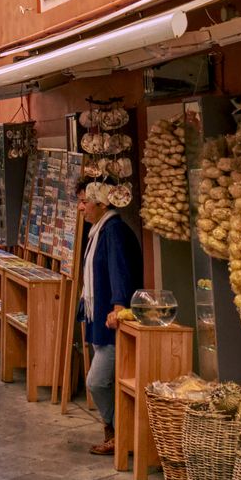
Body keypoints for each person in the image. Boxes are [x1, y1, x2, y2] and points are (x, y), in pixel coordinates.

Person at [79, 181, 145, 455]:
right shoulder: (98, 231)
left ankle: (120, 431)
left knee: (96, 381)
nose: (81, 207)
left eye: (86, 201)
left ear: (103, 203)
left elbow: (121, 270)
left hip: (112, 320)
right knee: (105, 378)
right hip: (100, 318)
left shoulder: (113, 231)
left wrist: (119, 306)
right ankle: (116, 434)